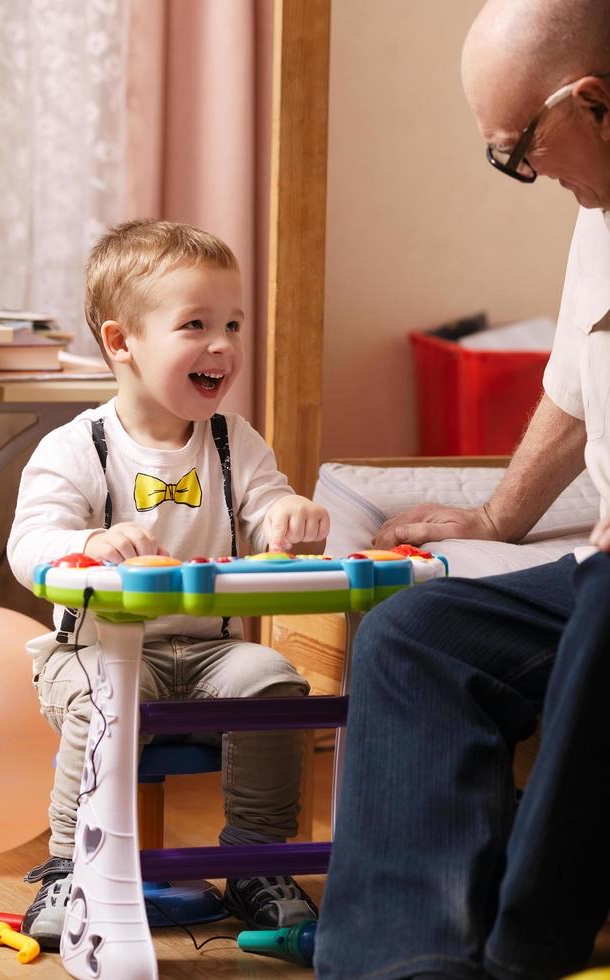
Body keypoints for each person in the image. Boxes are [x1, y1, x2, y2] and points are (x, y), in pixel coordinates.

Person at [314, 1, 610, 979]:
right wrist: (492, 517)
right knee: (414, 636)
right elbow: (572, 395)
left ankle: (525, 954)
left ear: (592, 102)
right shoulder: (599, 213)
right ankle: (402, 961)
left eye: (515, 149)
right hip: (601, 568)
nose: (527, 177)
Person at [7, 219, 330, 949]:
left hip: (209, 652)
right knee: (106, 691)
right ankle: (69, 863)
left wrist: (290, 512)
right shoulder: (78, 446)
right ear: (121, 343)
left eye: (232, 324)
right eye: (196, 324)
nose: (223, 344)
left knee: (274, 678)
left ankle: (256, 859)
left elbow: (267, 501)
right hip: (95, 652)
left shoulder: (232, 440)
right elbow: (29, 547)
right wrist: (91, 543)